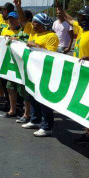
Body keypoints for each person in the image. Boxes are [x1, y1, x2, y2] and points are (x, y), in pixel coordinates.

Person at [22, 9, 59, 137]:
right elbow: (22, 21)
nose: (33, 24)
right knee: (32, 96)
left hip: (45, 72)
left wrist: (35, 45)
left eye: (35, 22)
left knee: (43, 99)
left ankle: (47, 126)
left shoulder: (51, 36)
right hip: (33, 70)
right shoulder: (34, 33)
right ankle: (35, 120)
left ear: (43, 24)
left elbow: (50, 53)